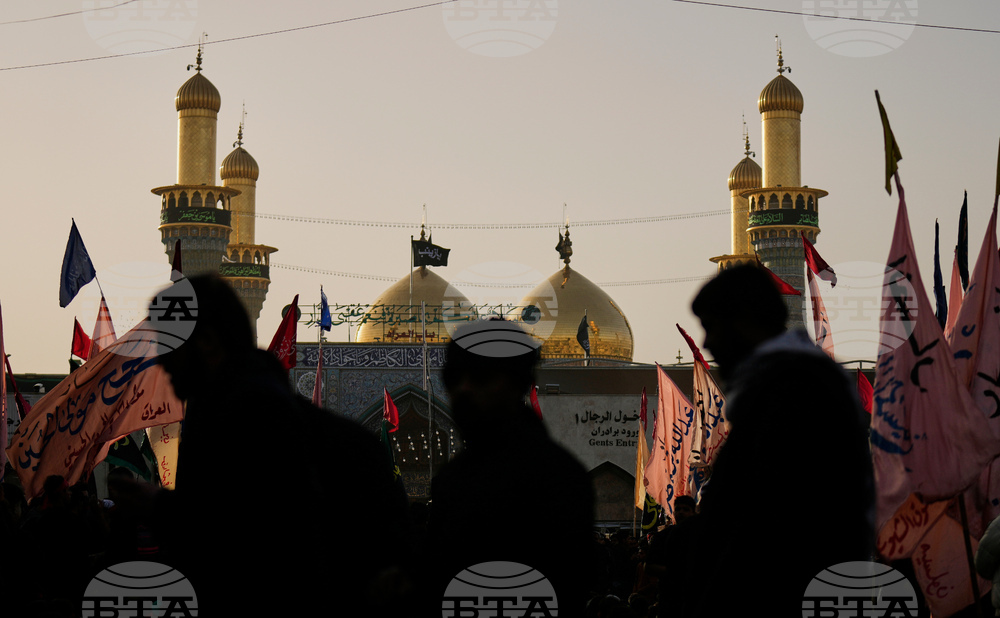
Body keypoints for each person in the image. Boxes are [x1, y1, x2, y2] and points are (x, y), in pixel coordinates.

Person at [144, 274, 407, 616]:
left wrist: (163, 509)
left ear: (207, 341)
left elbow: (250, 552)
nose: (160, 361)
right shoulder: (346, 441)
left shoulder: (245, 427)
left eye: (168, 345)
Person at [675, 263, 874, 617]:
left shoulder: (795, 390)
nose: (707, 344)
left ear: (743, 322)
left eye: (711, 327)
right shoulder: (787, 384)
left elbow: (767, 529)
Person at [421, 318, 597, 616]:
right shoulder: (456, 477)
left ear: (517, 384)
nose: (463, 390)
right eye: (454, 378)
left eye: (479, 377)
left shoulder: (552, 479)